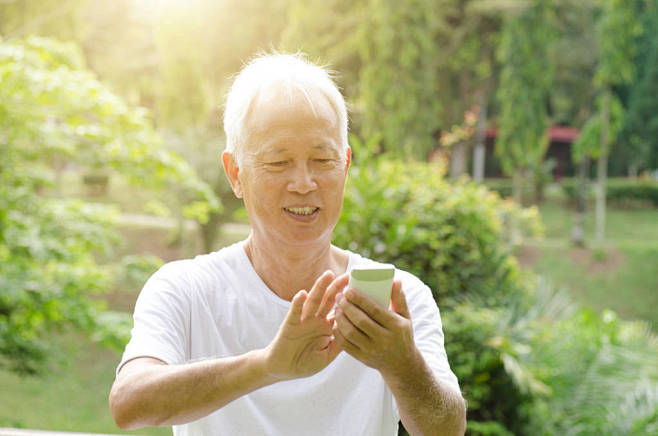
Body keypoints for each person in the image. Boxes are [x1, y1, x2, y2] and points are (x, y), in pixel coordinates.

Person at [109, 53, 466, 436]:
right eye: (278, 163)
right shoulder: (186, 288)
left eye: (322, 159)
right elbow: (129, 403)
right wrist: (267, 366)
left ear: (345, 165)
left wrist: (402, 364)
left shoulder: (396, 298)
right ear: (235, 174)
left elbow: (447, 429)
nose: (303, 182)